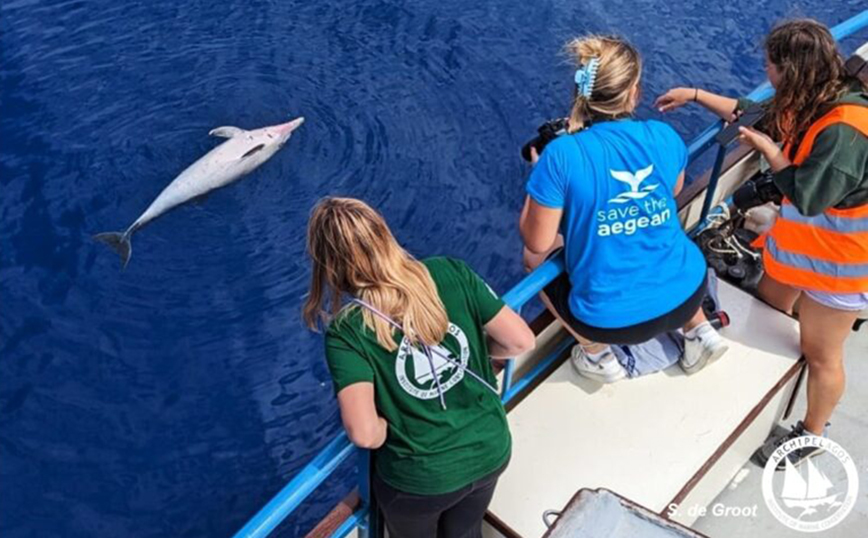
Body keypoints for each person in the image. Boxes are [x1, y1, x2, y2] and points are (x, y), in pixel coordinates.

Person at [656, 19, 868, 467]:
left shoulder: (846, 130)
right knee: (767, 313)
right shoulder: (811, 99)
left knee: (820, 353)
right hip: (796, 250)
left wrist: (772, 154)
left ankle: (811, 432)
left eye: (769, 65)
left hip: (841, 268)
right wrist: (695, 94)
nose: (766, 72)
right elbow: (751, 112)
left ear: (789, 70)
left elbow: (810, 198)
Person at [303, 197, 535, 538]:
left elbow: (365, 433)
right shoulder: (450, 271)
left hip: (419, 481)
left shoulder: (347, 331)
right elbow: (520, 342)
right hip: (490, 449)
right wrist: (470, 356)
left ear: (328, 265)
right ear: (384, 235)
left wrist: (386, 426)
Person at [520, 35, 728, 384]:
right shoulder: (663, 135)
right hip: (689, 294)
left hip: (610, 323)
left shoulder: (561, 156)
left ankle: (597, 354)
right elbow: (673, 190)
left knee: (531, 259)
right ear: (634, 92)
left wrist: (539, 176)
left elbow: (537, 241)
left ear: (580, 93)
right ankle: (701, 333)